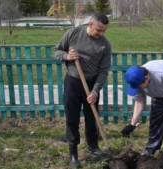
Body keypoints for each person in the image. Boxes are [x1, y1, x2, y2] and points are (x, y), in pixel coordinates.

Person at [54, 13, 111, 168]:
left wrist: (95, 91)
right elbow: (57, 51)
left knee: (92, 117)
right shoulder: (74, 33)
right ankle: (73, 154)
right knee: (72, 118)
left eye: (104, 31)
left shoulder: (105, 44)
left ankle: (93, 147)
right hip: (73, 82)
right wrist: (67, 56)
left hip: (92, 85)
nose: (101, 34)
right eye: (99, 30)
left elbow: (104, 70)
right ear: (90, 24)